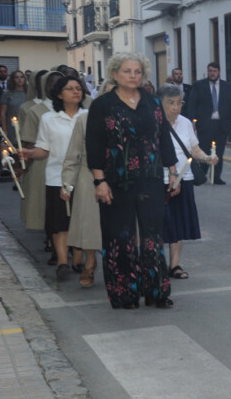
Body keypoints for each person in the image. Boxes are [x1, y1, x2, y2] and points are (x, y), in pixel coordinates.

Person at [86, 53, 177, 309]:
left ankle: (155, 291)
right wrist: (99, 181)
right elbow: (94, 145)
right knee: (120, 236)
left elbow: (164, 138)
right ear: (114, 74)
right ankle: (124, 293)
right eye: (127, 71)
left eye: (137, 72)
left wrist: (172, 171)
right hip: (116, 180)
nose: (133, 76)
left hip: (150, 178)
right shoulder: (102, 105)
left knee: (152, 237)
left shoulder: (152, 103)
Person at [21, 75, 84, 281]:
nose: (76, 91)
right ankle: (62, 261)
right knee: (59, 223)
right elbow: (43, 148)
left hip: (82, 177)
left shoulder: (89, 116)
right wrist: (30, 153)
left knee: (80, 220)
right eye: (69, 88)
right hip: (56, 177)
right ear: (59, 94)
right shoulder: (49, 118)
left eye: (78, 88)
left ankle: (77, 258)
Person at [159, 85, 217, 280]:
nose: (176, 108)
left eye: (179, 103)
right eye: (171, 103)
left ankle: (174, 265)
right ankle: (156, 263)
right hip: (161, 179)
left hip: (185, 178)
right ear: (160, 103)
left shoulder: (185, 123)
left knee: (178, 223)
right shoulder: (153, 122)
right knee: (159, 223)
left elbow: (194, 149)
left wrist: (208, 157)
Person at [60, 83, 109, 288]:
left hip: (120, 177)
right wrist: (67, 183)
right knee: (90, 224)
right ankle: (90, 262)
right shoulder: (85, 119)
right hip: (88, 176)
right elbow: (73, 154)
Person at [19, 70, 56, 247]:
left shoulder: (77, 109)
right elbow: (28, 140)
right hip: (43, 162)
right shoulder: (35, 111)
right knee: (47, 204)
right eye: (51, 83)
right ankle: (52, 240)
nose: (55, 86)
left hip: (67, 163)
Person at [185, 62, 231, 184]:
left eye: (215, 71)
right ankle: (202, 174)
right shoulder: (199, 86)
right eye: (210, 71)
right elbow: (192, 104)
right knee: (204, 149)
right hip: (205, 124)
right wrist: (192, 121)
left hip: (221, 124)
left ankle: (216, 176)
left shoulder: (227, 86)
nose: (212, 73)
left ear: (219, 72)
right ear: (208, 72)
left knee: (219, 151)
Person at [0, 70, 27, 140]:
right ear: (13, 79)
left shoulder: (28, 93)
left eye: (21, 77)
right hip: (12, 126)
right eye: (17, 77)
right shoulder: (7, 93)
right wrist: (4, 129)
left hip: (26, 124)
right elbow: (2, 113)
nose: (20, 79)